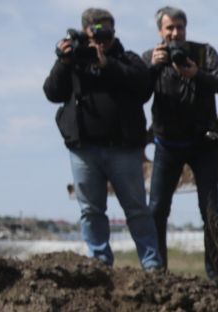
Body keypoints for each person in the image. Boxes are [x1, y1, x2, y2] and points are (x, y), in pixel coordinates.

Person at [44, 8, 162, 271]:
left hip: (124, 150)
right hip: (84, 150)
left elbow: (143, 87)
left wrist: (108, 65)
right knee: (91, 211)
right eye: (95, 34)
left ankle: (152, 265)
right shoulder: (74, 61)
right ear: (85, 34)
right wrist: (64, 62)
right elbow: (52, 92)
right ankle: (99, 263)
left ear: (114, 32)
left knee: (137, 210)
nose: (101, 40)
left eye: (107, 33)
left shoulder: (127, 59)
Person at [146, 6, 218, 282]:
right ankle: (157, 271)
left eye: (179, 27)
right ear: (161, 31)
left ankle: (217, 273)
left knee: (210, 210)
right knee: (157, 209)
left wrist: (197, 74)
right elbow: (134, 91)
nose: (175, 33)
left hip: (202, 143)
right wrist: (151, 68)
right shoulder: (151, 57)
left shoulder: (204, 53)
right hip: (167, 145)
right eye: (169, 28)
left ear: (186, 29)